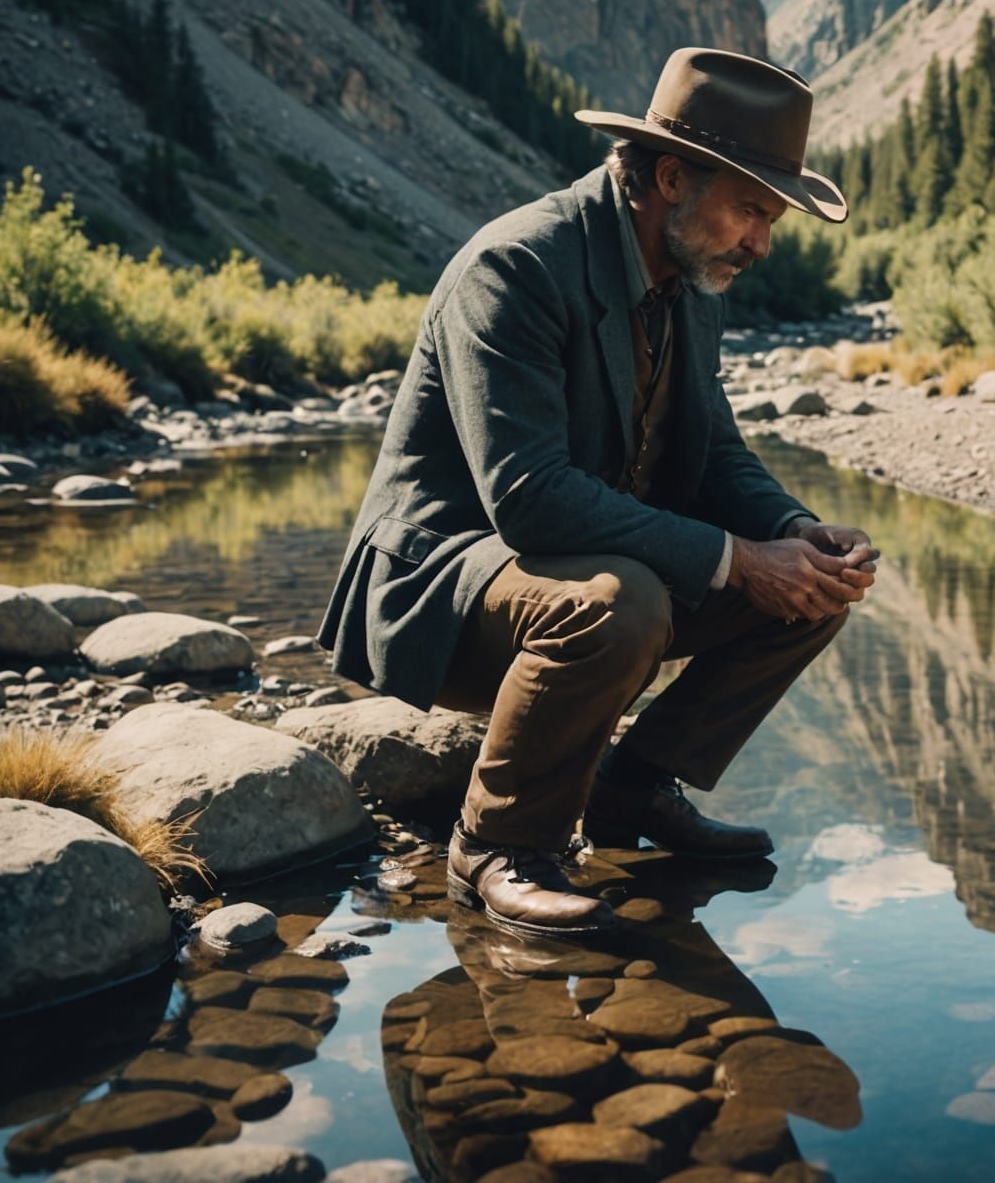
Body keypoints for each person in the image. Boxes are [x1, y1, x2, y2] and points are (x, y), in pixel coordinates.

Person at [318, 46, 879, 936]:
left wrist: (796, 532)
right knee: (623, 604)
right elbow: (530, 498)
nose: (762, 243)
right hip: (443, 591)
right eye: (751, 211)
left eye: (769, 219)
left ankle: (629, 791)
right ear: (669, 179)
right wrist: (738, 561)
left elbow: (717, 454)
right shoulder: (515, 269)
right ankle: (496, 847)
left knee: (810, 589)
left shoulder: (696, 280)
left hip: (579, 577)